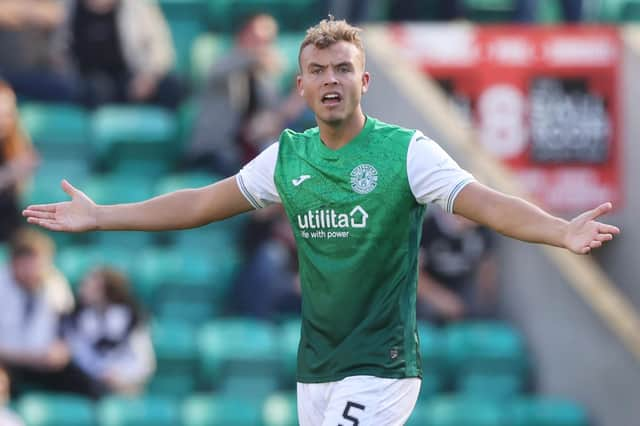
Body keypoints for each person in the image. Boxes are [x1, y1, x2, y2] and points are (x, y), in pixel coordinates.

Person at [23, 17, 620, 425]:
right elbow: (199, 204)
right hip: (317, 369)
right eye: (318, 70)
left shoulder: (406, 152)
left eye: (342, 69)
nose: (330, 79)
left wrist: (559, 230)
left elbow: (485, 202)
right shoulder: (288, 156)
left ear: (363, 81)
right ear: (301, 84)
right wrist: (103, 215)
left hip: (381, 367)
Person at [54, 0, 182, 109]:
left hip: (131, 78)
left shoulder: (137, 6)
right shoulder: (68, 6)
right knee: (94, 90)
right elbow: (58, 48)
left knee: (173, 86)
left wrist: (149, 77)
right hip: (90, 82)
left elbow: (161, 47)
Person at [60, 267, 155, 395]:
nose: (84, 290)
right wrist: (102, 373)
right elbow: (80, 355)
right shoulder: (74, 319)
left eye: (94, 288)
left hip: (126, 383)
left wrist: (122, 376)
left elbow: (144, 360)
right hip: (89, 384)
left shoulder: (132, 319)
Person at [417, 208, 497, 325]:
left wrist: (486, 303)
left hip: (463, 288)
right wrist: (440, 298)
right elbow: (413, 275)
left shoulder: (482, 230)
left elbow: (487, 269)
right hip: (432, 292)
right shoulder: (427, 226)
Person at [0, 82, 39, 243]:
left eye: (8, 114)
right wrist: (8, 174)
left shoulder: (14, 145)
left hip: (9, 232)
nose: (4, 120)